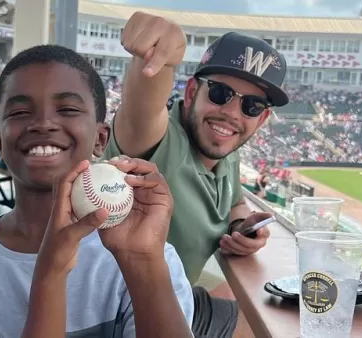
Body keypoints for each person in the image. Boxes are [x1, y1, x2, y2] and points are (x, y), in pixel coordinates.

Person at [0, 45, 194, 337]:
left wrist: (142, 263)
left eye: (67, 109)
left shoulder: (148, 256)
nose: (42, 123)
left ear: (100, 138)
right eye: (19, 112)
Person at [106, 13, 287, 337]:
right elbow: (141, 109)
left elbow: (234, 204)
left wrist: (242, 228)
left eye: (252, 106)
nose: (232, 113)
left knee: (258, 318)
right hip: (120, 314)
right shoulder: (159, 142)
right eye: (219, 93)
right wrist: (161, 57)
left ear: (261, 120)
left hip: (176, 296)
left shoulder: (226, 151)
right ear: (191, 92)